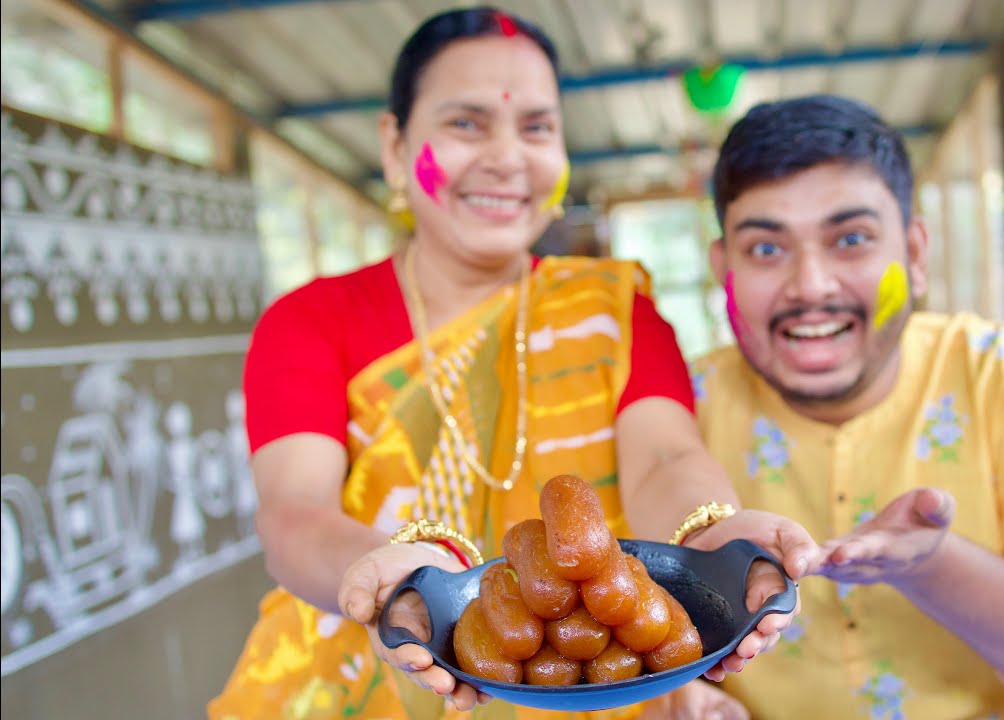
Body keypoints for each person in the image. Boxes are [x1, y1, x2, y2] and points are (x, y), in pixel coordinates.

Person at [208, 8, 817, 720]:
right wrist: (395, 578)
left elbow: (662, 460)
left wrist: (708, 537)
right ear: (396, 143)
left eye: (536, 128)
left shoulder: (616, 311)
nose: (506, 158)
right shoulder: (311, 322)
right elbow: (293, 515)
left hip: (584, 676)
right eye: (466, 124)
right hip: (350, 685)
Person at [687, 95, 1004, 719]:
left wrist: (933, 564)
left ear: (915, 253)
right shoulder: (682, 405)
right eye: (767, 250)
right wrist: (680, 695)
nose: (812, 286)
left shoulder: (999, 371)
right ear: (725, 270)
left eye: (851, 240)